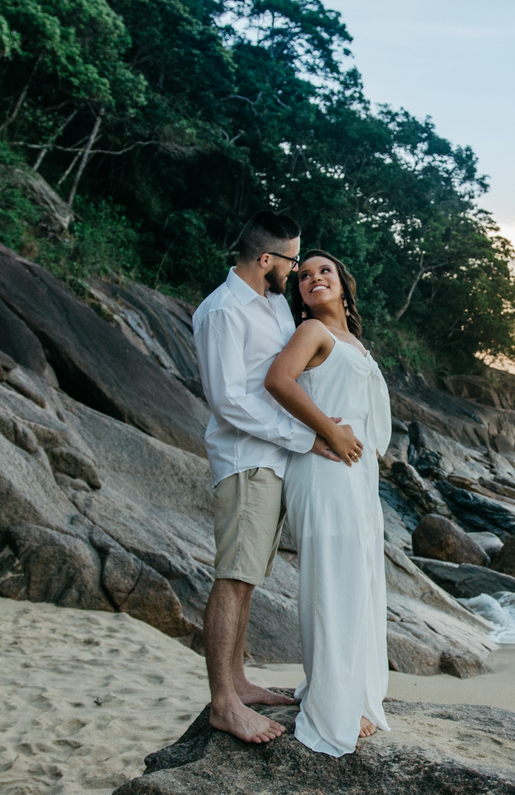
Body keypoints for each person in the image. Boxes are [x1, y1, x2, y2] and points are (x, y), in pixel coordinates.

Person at [191, 213, 364, 744]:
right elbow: (228, 401)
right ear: (266, 259)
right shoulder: (222, 311)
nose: (295, 271)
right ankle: (223, 702)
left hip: (275, 461)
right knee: (234, 577)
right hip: (248, 460)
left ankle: (239, 681)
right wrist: (305, 438)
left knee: (249, 577)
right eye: (292, 261)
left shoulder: (269, 306)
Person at [264, 250, 392, 757]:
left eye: (324, 272)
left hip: (357, 474)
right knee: (333, 581)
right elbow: (278, 381)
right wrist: (328, 432)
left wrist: (350, 445)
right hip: (324, 468)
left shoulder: (354, 342)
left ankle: (354, 693)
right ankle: (330, 704)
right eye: (303, 275)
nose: (314, 279)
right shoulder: (311, 332)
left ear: (343, 285)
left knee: (359, 579)